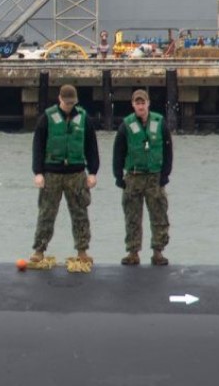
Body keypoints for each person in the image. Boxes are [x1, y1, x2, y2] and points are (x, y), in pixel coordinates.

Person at [30, 84, 99, 266]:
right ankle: (39, 250)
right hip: (52, 172)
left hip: (76, 173)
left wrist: (93, 172)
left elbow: (92, 147)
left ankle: (82, 251)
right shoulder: (47, 118)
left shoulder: (84, 119)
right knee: (46, 213)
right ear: (60, 99)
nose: (69, 105)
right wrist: (38, 172)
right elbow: (38, 145)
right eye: (66, 102)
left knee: (80, 213)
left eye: (72, 103)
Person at [110, 88, 173, 266]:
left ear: (148, 103)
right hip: (133, 177)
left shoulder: (160, 123)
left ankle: (158, 252)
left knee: (159, 216)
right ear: (133, 105)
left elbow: (168, 150)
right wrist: (118, 176)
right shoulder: (126, 125)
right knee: (132, 217)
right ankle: (133, 252)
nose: (140, 106)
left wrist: (165, 174)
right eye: (137, 103)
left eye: (142, 102)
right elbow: (118, 152)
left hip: (154, 177)